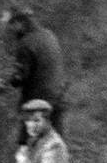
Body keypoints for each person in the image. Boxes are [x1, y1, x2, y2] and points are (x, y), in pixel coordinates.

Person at [6, 7, 67, 140]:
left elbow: (19, 77)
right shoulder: (49, 35)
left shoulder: (26, 43)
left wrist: (5, 82)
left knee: (27, 145)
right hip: (58, 98)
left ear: (20, 23)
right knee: (57, 144)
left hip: (37, 103)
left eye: (12, 24)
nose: (11, 28)